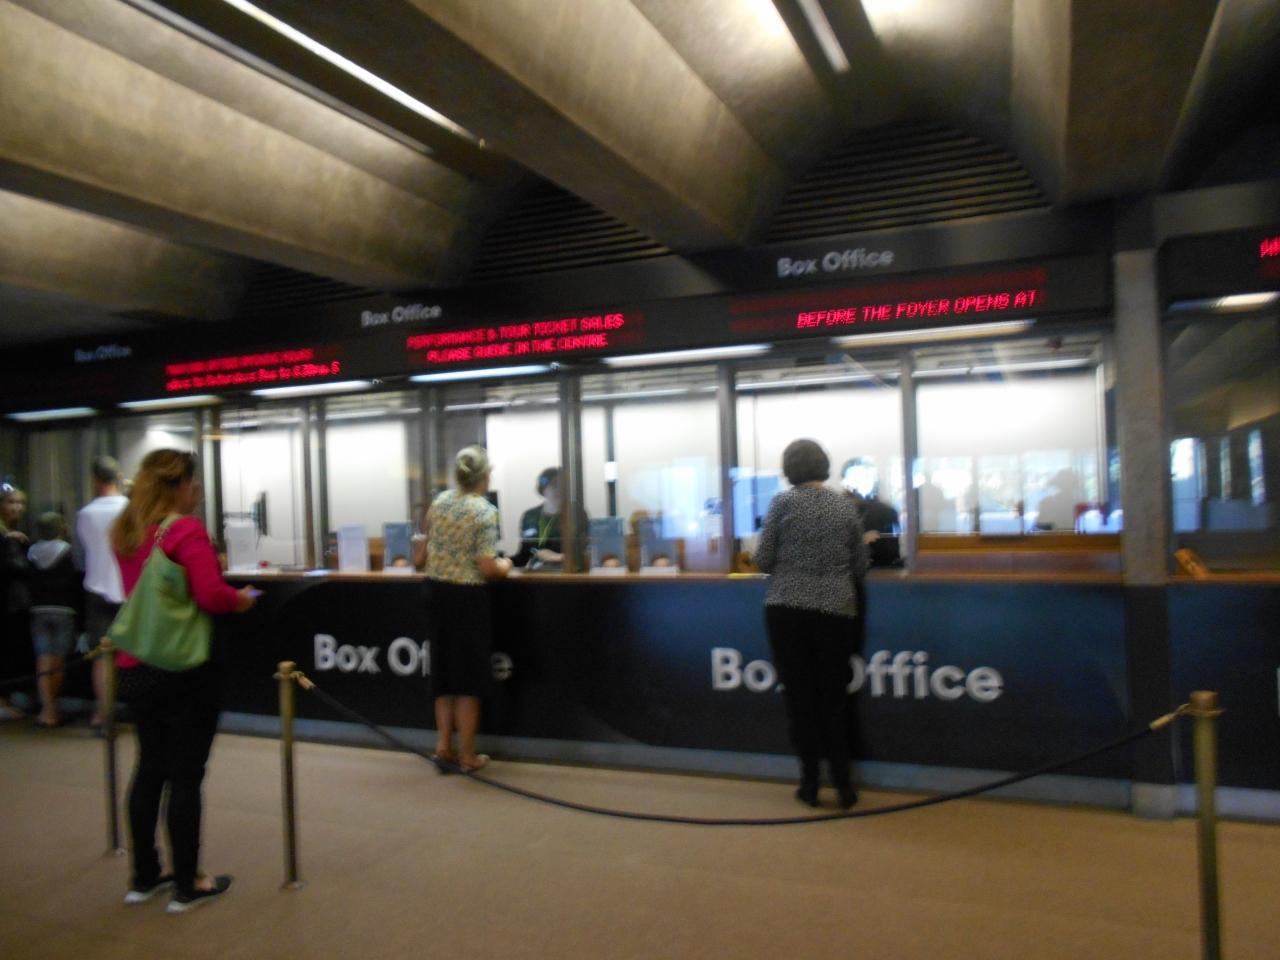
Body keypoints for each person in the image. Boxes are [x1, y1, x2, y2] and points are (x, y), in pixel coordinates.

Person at [111, 450, 257, 913]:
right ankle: (188, 883)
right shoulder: (185, 531)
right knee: (186, 776)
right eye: (194, 483)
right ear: (178, 485)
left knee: (149, 768)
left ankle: (143, 877)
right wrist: (242, 599)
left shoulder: (128, 531)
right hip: (184, 669)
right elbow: (210, 595)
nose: (198, 491)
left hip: (136, 664)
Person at [755, 439, 868, 809]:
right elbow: (860, 565)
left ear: (790, 468)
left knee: (800, 699)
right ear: (823, 465)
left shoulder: (781, 504)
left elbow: (763, 559)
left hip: (787, 609)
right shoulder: (844, 506)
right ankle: (844, 785)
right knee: (833, 700)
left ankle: (809, 784)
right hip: (835, 610)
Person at [421, 446, 512, 773]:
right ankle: (468, 755)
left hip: (436, 594)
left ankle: (443, 746)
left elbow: (425, 547)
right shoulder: (484, 511)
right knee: (468, 678)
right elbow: (487, 566)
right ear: (485, 475)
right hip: (467, 599)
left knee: (444, 675)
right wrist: (506, 564)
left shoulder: (439, 502)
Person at [76, 455, 129, 728]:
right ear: (119, 477)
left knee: (102, 654)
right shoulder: (131, 510)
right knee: (138, 651)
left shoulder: (85, 514)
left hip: (96, 587)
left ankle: (103, 713)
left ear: (95, 480)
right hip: (128, 588)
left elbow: (86, 548)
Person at [27, 512, 82, 727]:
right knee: (58, 661)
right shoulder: (68, 551)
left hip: (38, 609)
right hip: (63, 610)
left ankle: (46, 709)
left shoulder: (32, 551)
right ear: (61, 528)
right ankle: (54, 709)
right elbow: (76, 580)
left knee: (43, 659)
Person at [512, 467, 586, 570]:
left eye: (563, 485)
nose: (559, 489)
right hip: (540, 573)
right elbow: (523, 556)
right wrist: (500, 561)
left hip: (570, 572)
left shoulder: (577, 513)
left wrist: (558, 557)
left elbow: (587, 550)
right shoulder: (530, 516)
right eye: (554, 485)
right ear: (543, 489)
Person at [0, 483, 32, 719]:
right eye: (11, 502)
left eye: (21, 502)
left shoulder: (13, 532)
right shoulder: (7, 537)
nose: (17, 507)